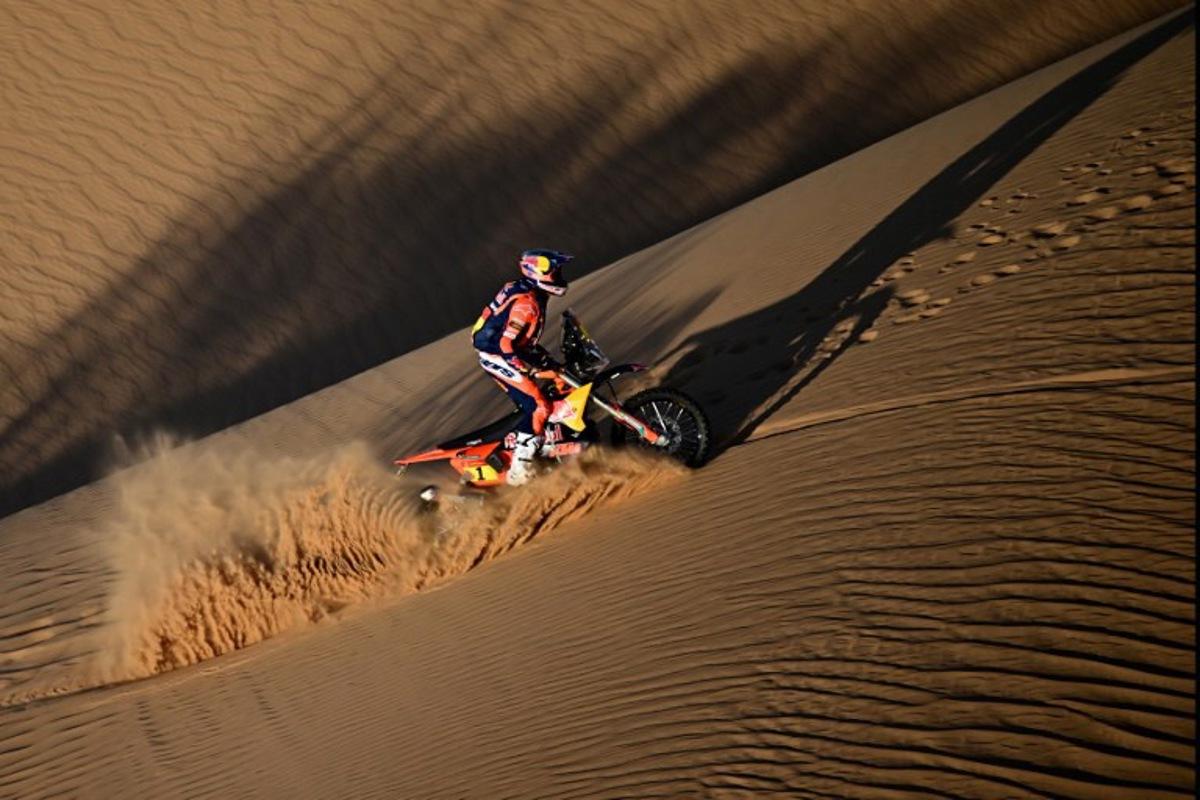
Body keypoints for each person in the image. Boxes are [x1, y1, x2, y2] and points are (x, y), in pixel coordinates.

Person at [471, 248, 574, 485]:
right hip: (498, 355)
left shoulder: (530, 292)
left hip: (512, 350)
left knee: (558, 378)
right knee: (538, 405)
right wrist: (523, 368)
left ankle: (549, 441)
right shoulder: (527, 303)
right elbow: (507, 342)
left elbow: (521, 342)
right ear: (536, 273)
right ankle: (520, 468)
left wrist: (547, 363)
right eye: (554, 273)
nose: (558, 278)